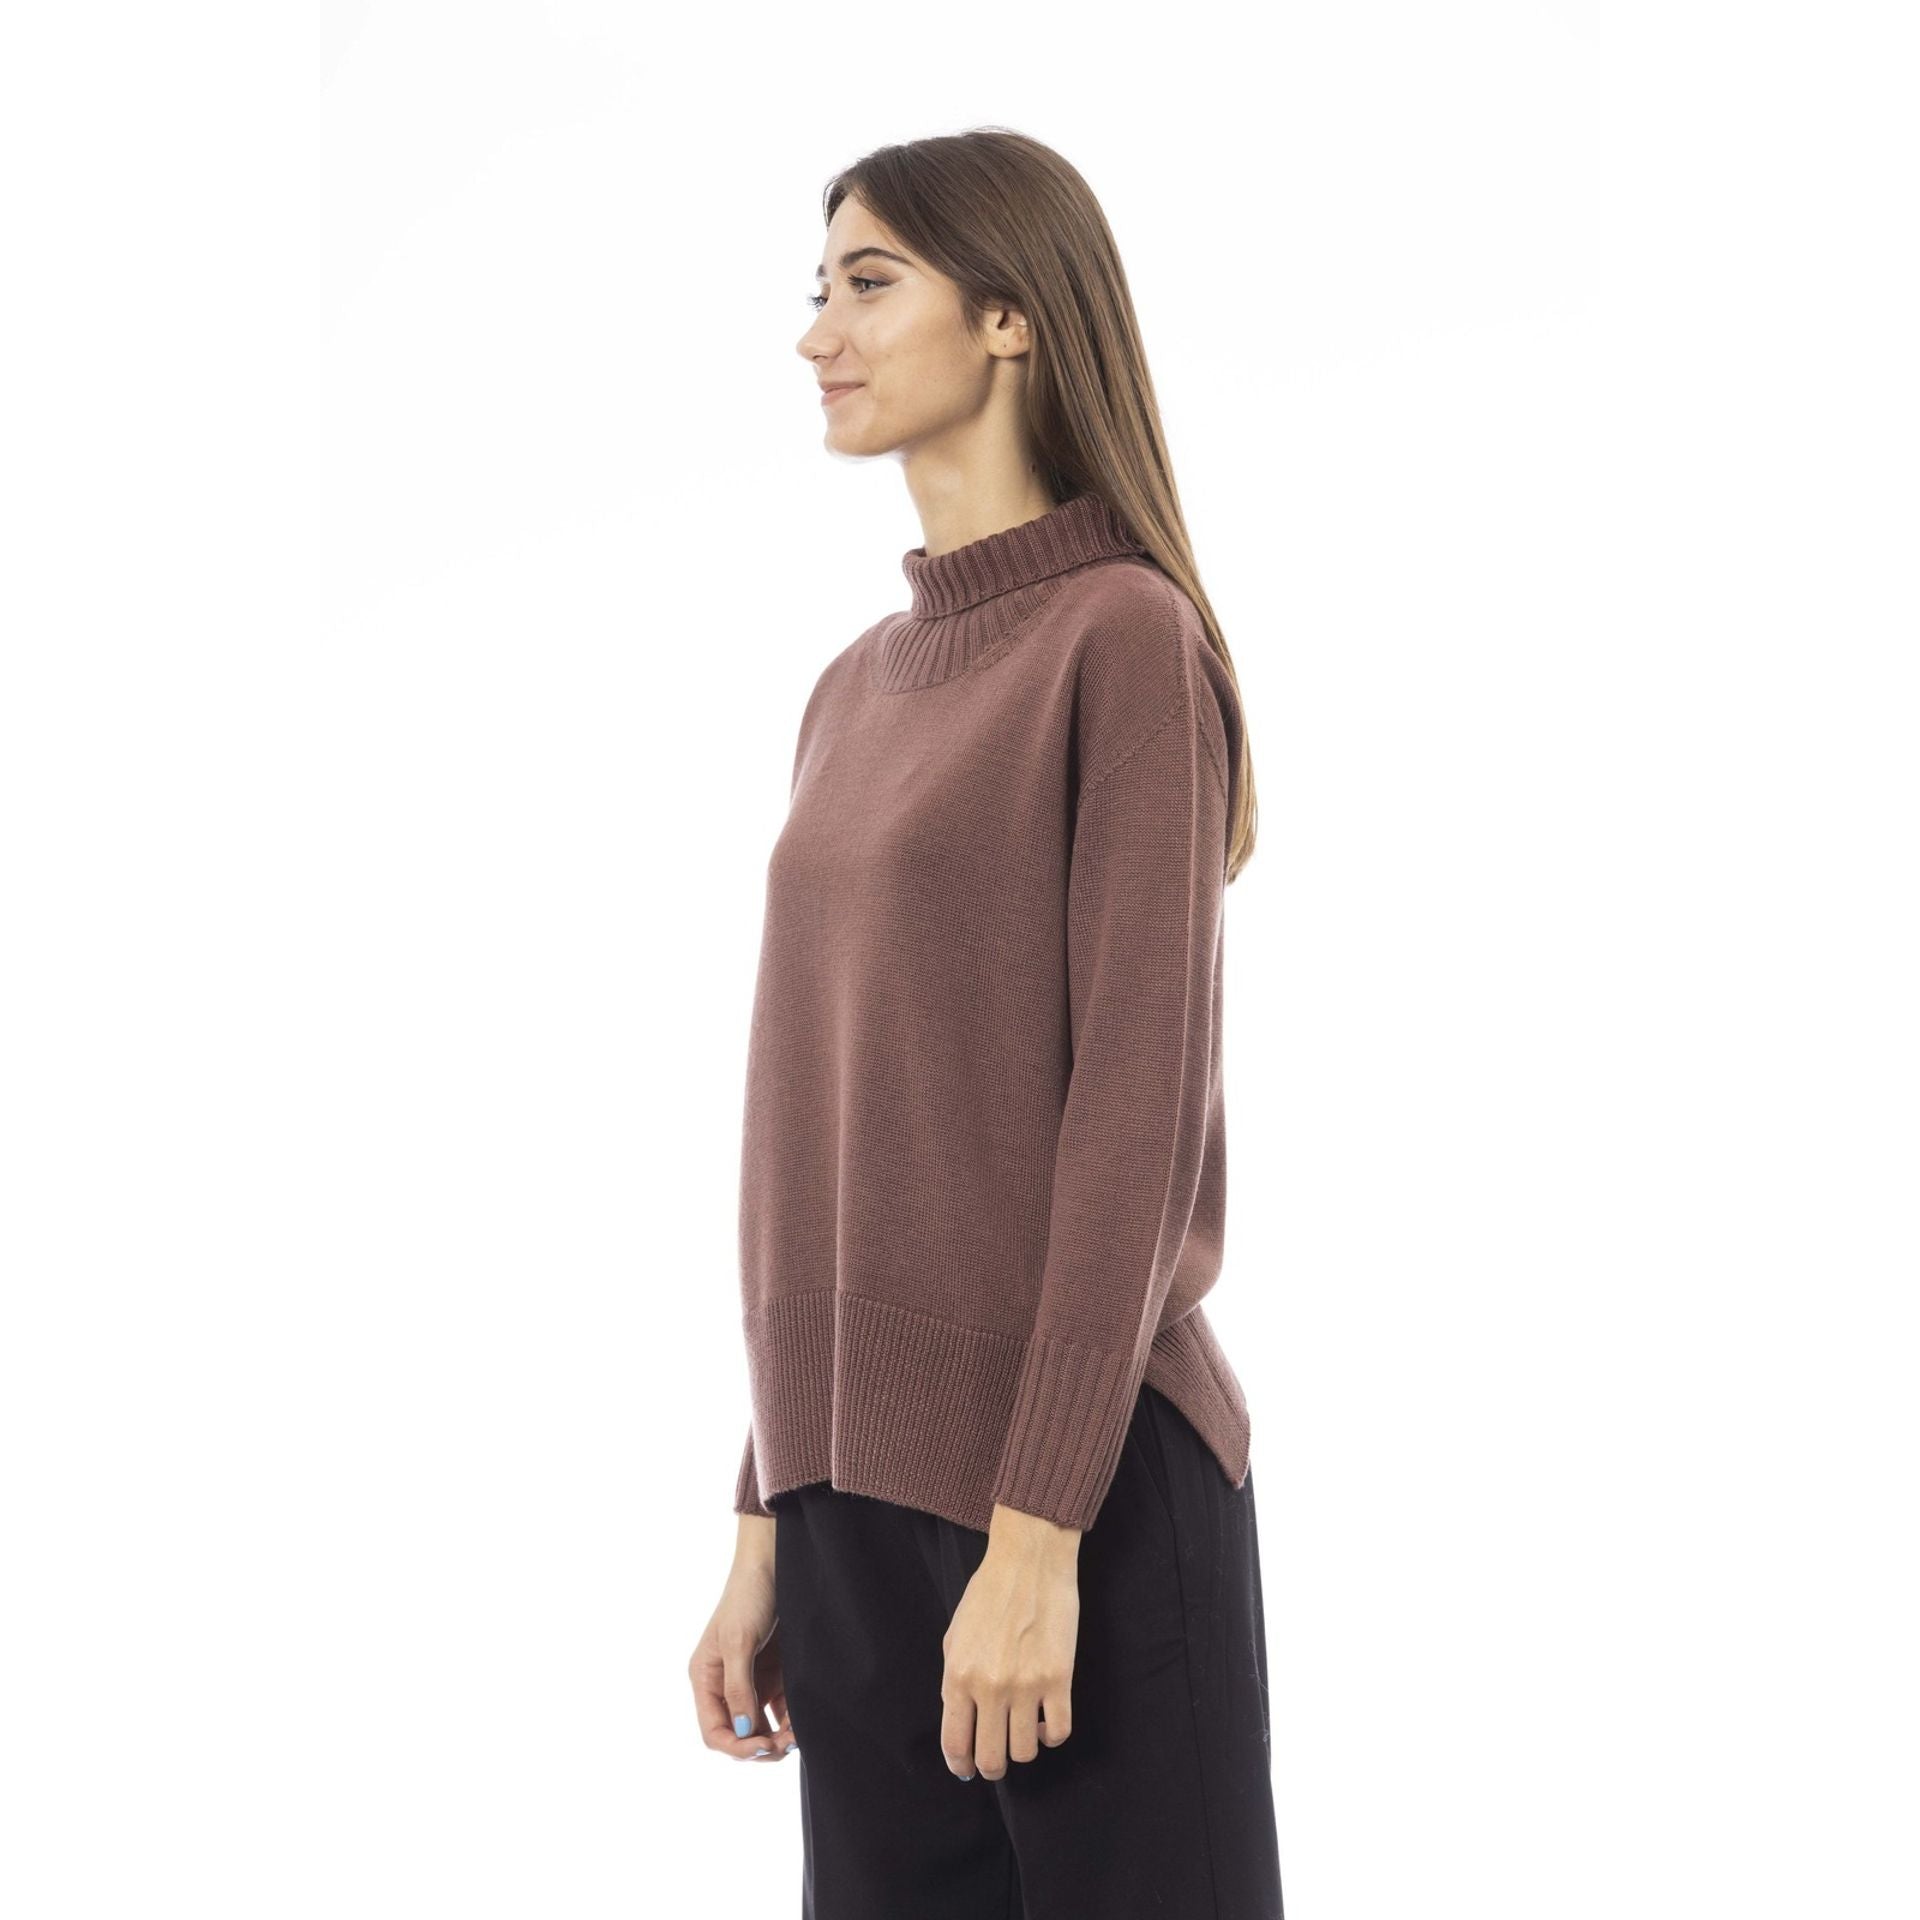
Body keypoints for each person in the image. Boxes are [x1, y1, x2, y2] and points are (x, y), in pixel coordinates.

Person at [686, 127, 1286, 1919]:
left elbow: (1134, 1120)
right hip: (849, 1506)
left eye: (871, 283)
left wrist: (1037, 1532)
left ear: (1013, 315)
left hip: (1079, 1493)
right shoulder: (846, 693)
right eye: (818, 290)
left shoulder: (1124, 641)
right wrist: (764, 1511)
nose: (820, 334)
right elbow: (819, 1119)